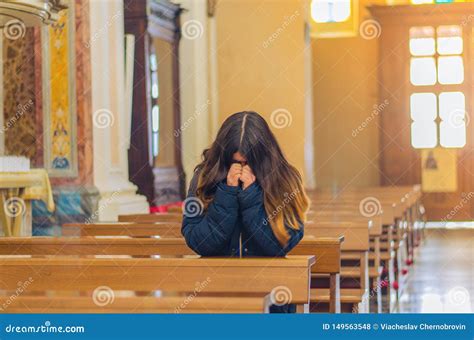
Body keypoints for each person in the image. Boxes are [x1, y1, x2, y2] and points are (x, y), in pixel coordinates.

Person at [181, 111, 309, 312]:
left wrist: (251, 197)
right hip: (215, 297)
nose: (241, 169)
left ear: (263, 156)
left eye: (249, 163)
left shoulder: (285, 179)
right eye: (235, 163)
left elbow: (281, 245)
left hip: (274, 297)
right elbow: (198, 242)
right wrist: (227, 193)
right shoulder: (204, 178)